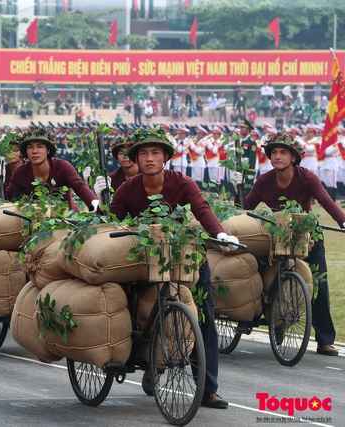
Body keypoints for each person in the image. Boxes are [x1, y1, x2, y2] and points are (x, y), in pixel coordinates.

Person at [110, 127, 240, 410]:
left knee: (204, 317)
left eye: (155, 152)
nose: (149, 158)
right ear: (136, 159)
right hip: (143, 261)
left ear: (166, 157)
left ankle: (207, 389)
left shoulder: (182, 183)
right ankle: (145, 360)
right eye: (143, 153)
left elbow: (202, 209)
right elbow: (110, 224)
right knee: (129, 305)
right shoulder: (127, 189)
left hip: (183, 257)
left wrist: (219, 234)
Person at [241, 132, 345, 357]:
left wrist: (343, 220)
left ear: (294, 158)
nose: (277, 157)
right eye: (274, 153)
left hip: (307, 236)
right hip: (277, 237)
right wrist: (237, 197)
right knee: (263, 274)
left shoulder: (307, 177)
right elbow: (246, 206)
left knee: (318, 285)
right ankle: (273, 320)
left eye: (283, 153)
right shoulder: (264, 180)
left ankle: (325, 340)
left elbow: (326, 200)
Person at [4, 127, 99, 213]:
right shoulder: (20, 172)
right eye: (30, 147)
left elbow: (79, 186)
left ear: (48, 150)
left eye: (40, 146)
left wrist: (95, 204)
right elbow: (7, 199)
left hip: (67, 217)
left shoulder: (62, 167)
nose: (34, 151)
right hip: (35, 220)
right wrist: (0, 180)